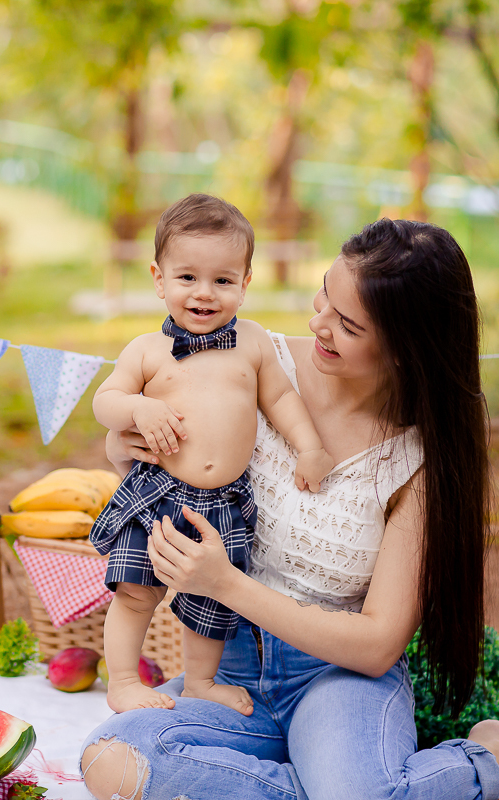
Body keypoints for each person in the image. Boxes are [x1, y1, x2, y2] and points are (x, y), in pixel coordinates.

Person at [80, 218, 499, 800]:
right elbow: (159, 453)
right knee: (114, 758)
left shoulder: (417, 458)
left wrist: (225, 584)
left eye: (348, 325)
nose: (318, 325)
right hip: (229, 674)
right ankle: (332, 781)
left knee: (350, 792)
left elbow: (378, 644)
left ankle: (490, 761)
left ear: (407, 347)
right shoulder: (254, 363)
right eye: (324, 295)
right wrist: (123, 442)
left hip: (337, 677)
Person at [90, 194, 334, 717]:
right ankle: (125, 681)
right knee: (135, 593)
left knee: (213, 604)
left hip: (221, 502)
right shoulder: (144, 350)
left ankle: (200, 681)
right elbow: (103, 402)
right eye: (187, 278)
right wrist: (135, 408)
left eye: (223, 280)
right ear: (159, 279)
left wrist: (310, 447)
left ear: (246, 283)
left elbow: (282, 399)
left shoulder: (254, 343)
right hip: (157, 494)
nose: (205, 293)